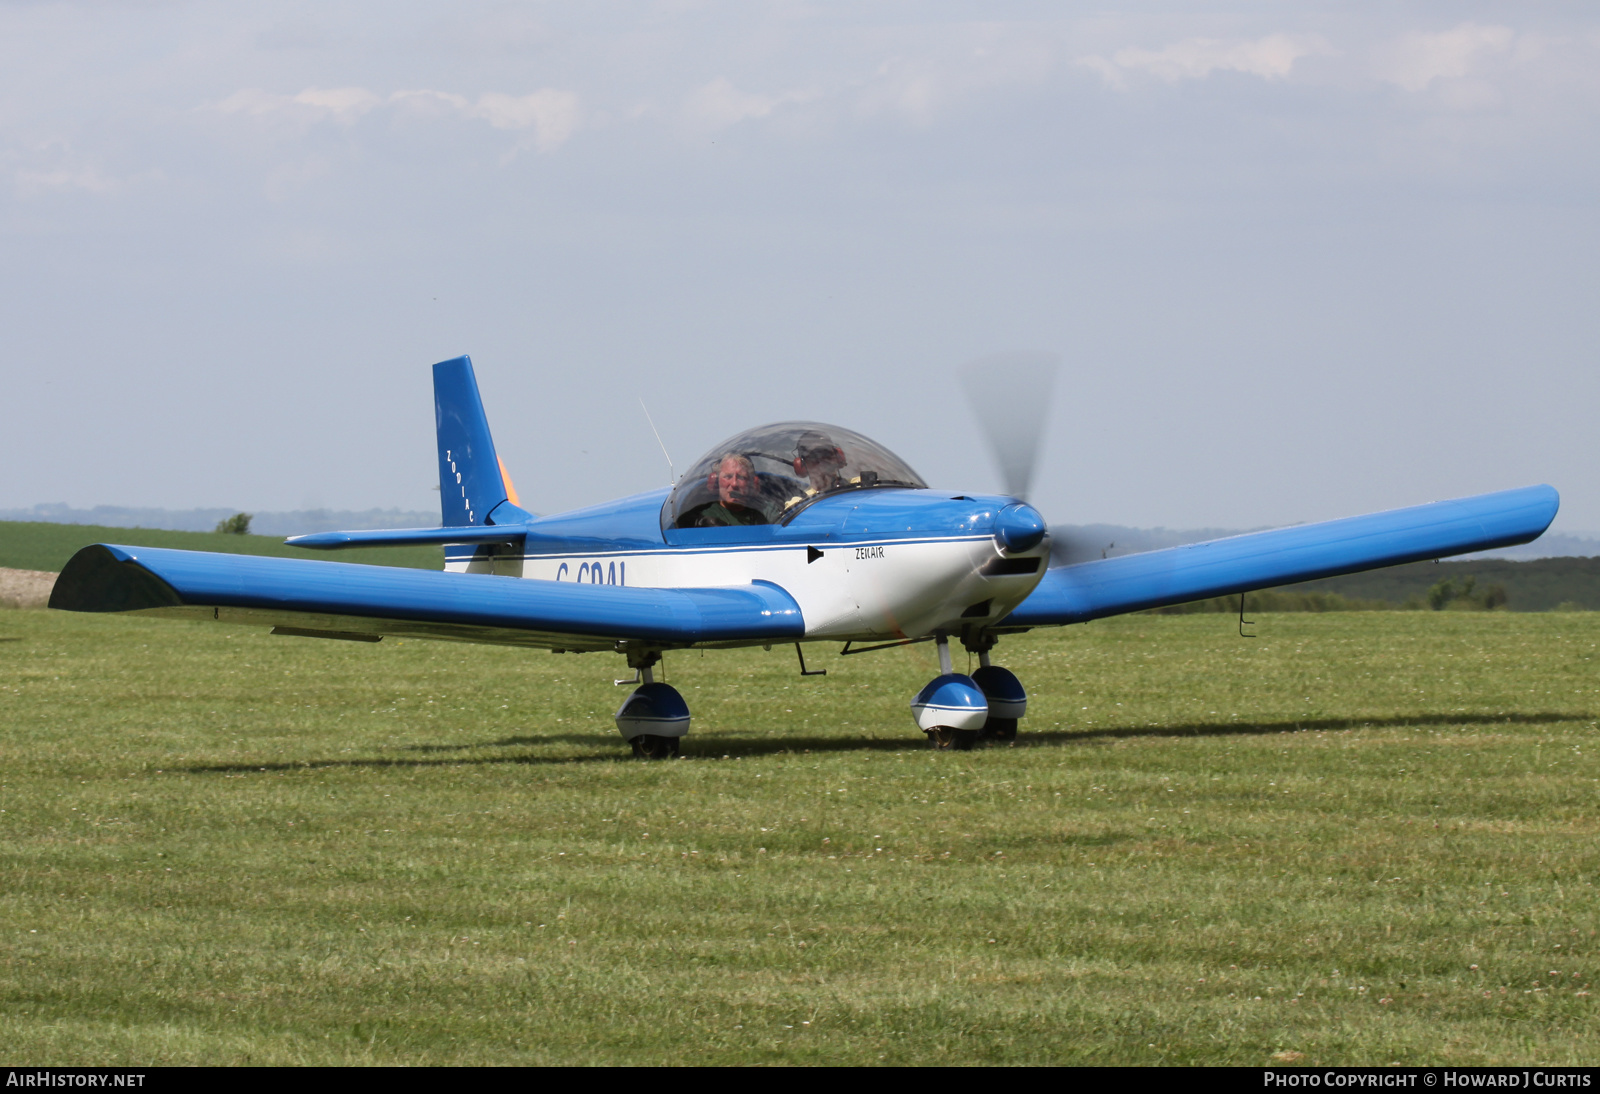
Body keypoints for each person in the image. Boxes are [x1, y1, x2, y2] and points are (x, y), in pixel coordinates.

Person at [693, 453, 770, 527]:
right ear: (716, 482)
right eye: (728, 476)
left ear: (752, 485)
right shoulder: (707, 518)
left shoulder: (763, 515)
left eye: (741, 477)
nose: (734, 484)